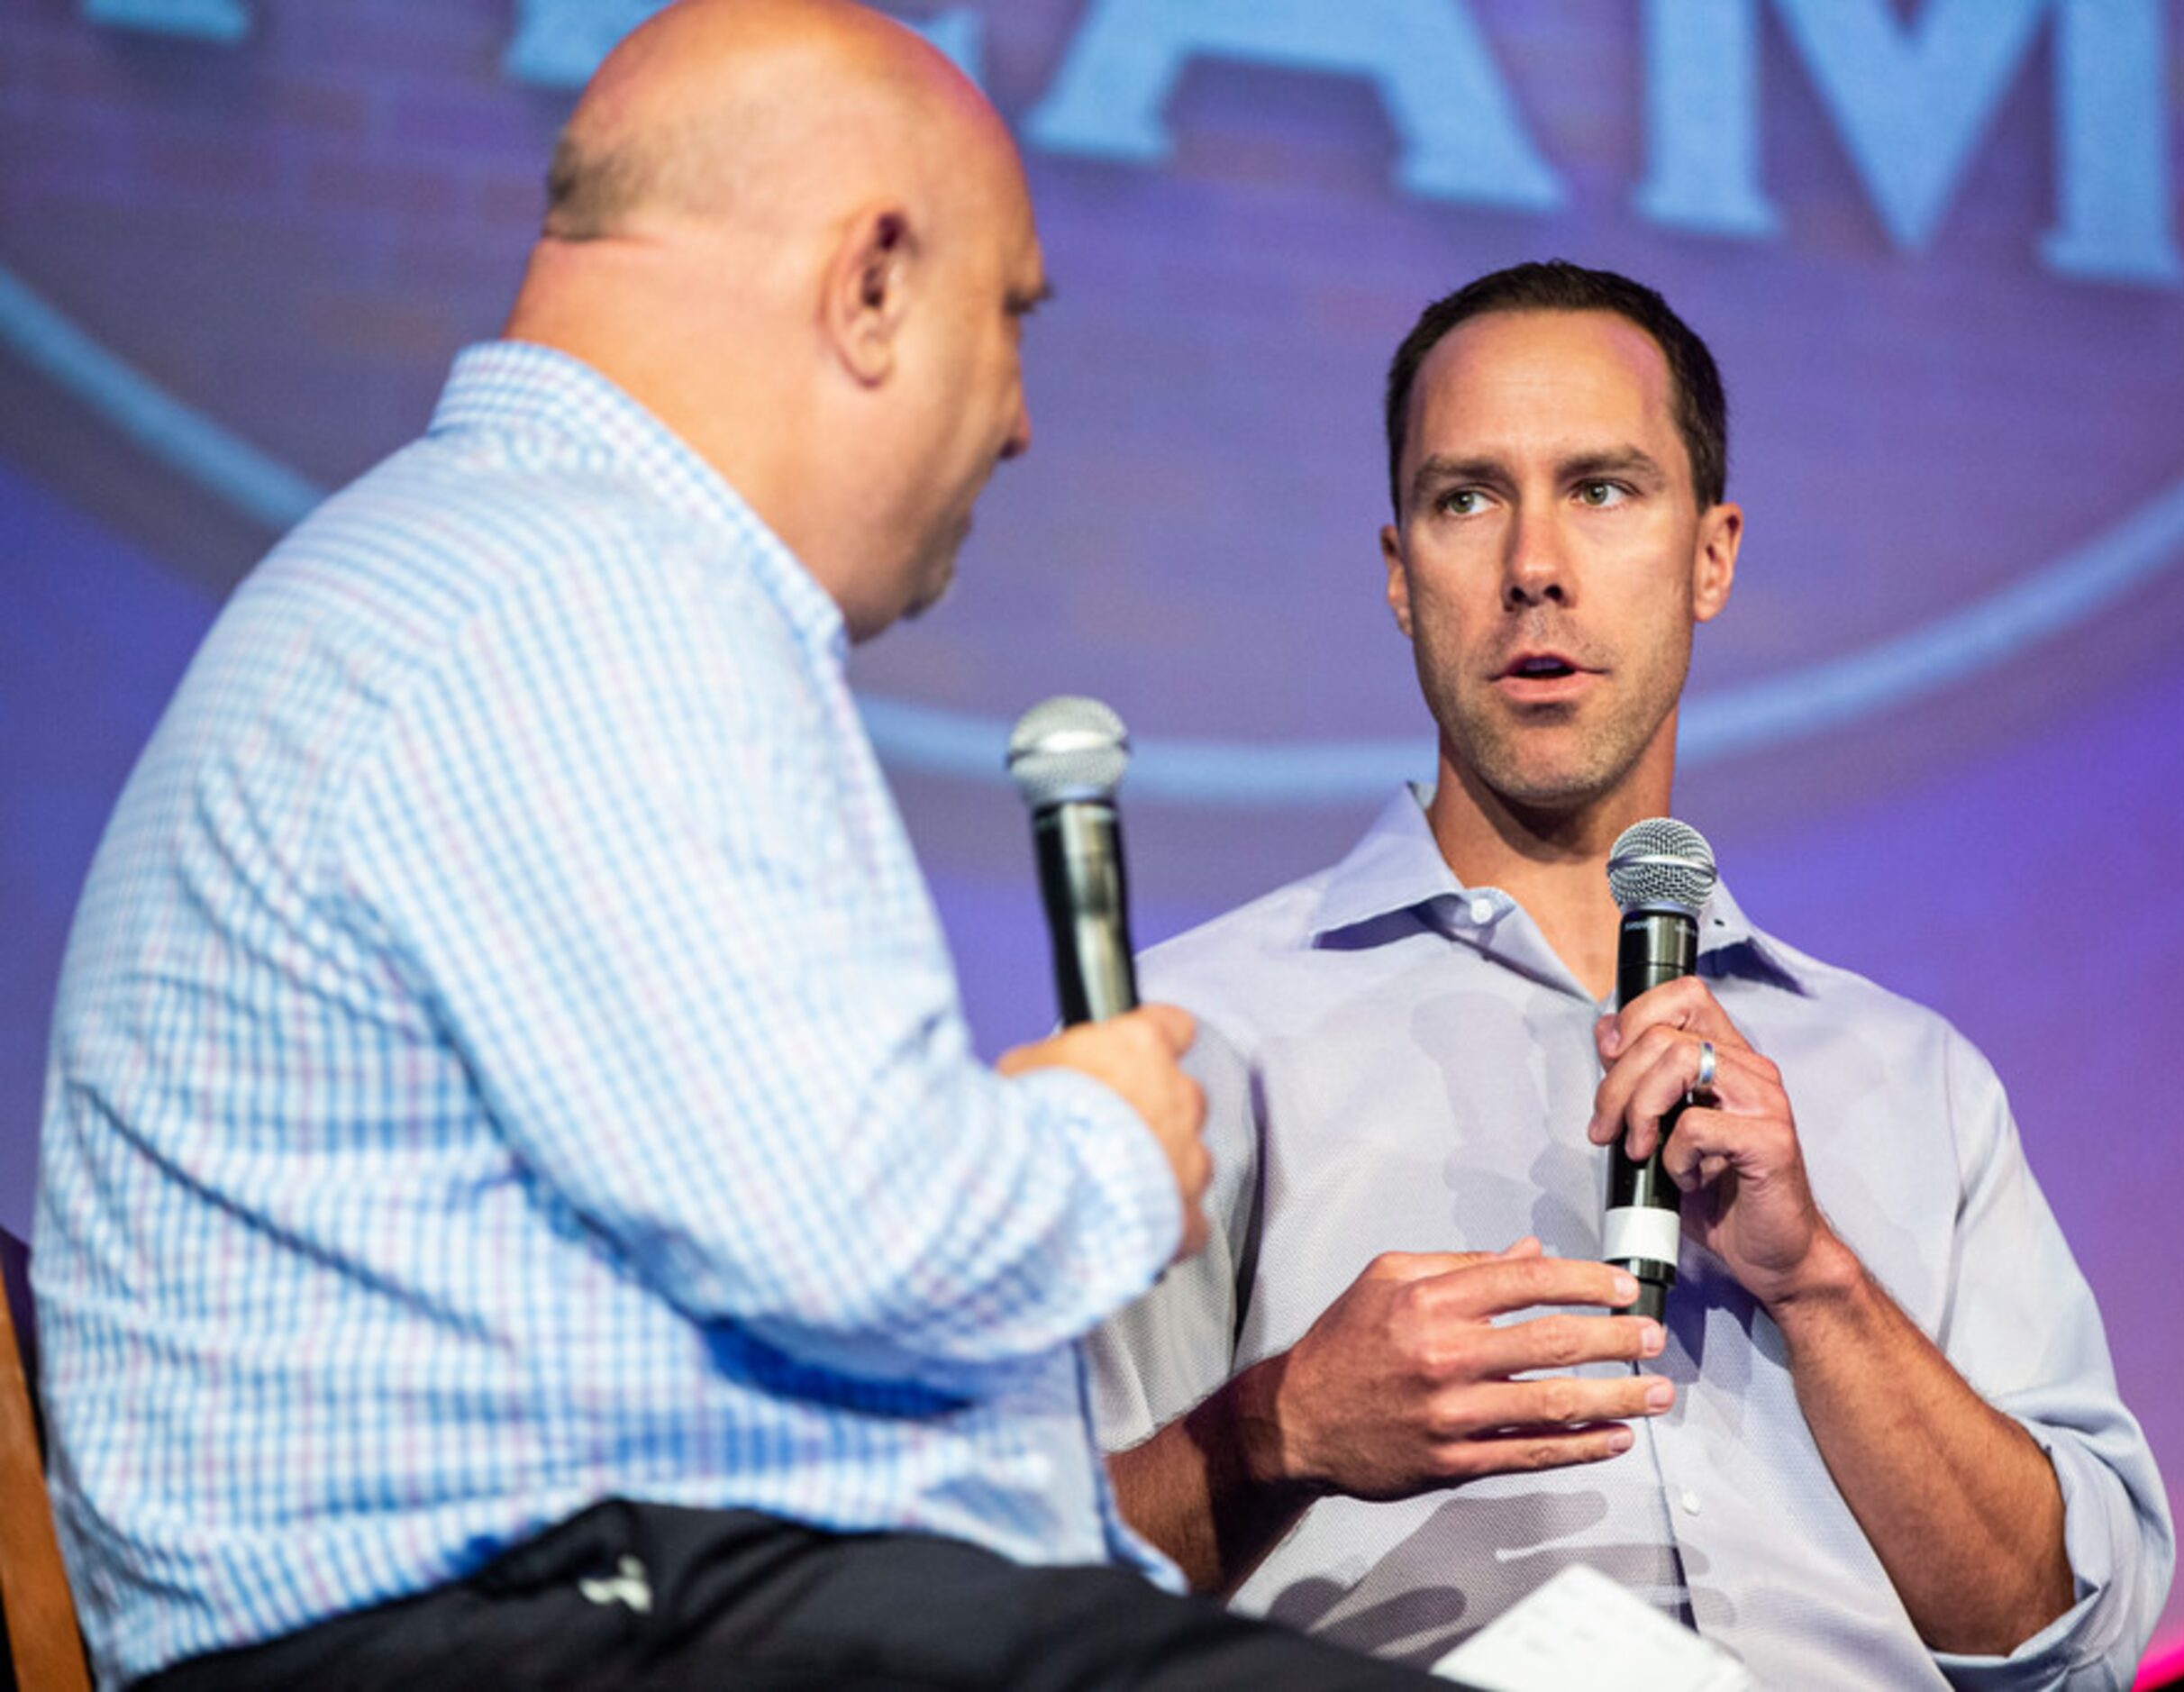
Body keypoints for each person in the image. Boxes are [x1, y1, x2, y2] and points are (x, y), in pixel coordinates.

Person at [33, 5, 1430, 1687]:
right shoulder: (591, 590)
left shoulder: (491, 565)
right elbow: (870, 1234)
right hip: (558, 1628)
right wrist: (1109, 1143)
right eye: (1010, 321)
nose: (1019, 421)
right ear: (871, 283)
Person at [1088, 261, 2175, 1688]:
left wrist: (1822, 1290)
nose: (1534, 561)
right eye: (1467, 498)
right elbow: (1004, 1590)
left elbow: (2070, 1636)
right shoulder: (1190, 1040)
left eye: (1603, 489)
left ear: (1711, 556)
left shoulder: (1913, 1076)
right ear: (1401, 577)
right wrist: (1276, 1427)